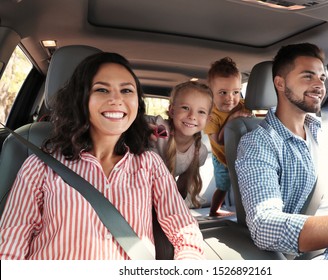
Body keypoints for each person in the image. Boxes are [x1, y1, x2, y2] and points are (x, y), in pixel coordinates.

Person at [0, 52, 205, 260]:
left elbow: (185, 232)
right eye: (101, 89)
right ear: (81, 99)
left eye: (126, 90)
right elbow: (10, 244)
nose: (116, 99)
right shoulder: (41, 165)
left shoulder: (150, 165)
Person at [235, 42, 328, 260]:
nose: (319, 84)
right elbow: (264, 226)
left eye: (322, 78)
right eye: (308, 76)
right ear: (280, 83)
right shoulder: (258, 144)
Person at [146, 81, 213, 208]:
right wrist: (138, 128)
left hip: (160, 204)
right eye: (185, 108)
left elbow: (180, 190)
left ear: (208, 120)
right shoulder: (157, 126)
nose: (192, 116)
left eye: (201, 112)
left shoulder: (199, 152)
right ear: (171, 111)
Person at [204, 57, 252, 217]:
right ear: (211, 94)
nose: (230, 97)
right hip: (222, 158)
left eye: (235, 92)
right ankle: (214, 210)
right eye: (223, 92)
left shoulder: (244, 105)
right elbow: (218, 140)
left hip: (242, 155)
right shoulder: (211, 116)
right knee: (223, 185)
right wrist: (232, 119)